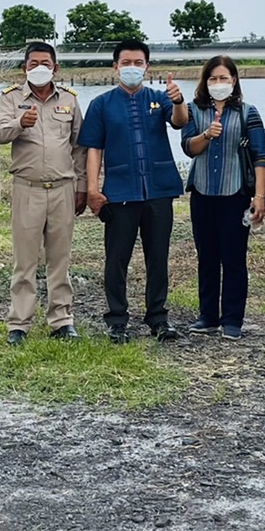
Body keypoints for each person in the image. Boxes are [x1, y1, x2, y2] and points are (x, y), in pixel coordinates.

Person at [79, 38, 191, 343]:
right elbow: (93, 149)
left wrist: (179, 101)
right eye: (126, 63)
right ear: (115, 67)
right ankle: (117, 320)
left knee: (159, 257)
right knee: (116, 258)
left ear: (147, 66)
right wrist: (92, 189)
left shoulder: (159, 98)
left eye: (138, 63)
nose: (132, 68)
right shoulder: (101, 104)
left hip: (158, 191)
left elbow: (180, 122)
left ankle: (158, 317)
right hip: (120, 193)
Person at [0, 41, 86, 345]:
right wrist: (20, 123)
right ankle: (19, 323)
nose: (39, 68)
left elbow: (80, 146)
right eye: (33, 64)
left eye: (45, 63)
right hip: (27, 189)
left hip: (62, 188)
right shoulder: (10, 98)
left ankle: (62, 319)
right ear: (24, 68)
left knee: (60, 258)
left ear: (56, 68)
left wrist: (82, 185)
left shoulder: (69, 100)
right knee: (25, 259)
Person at [179, 55, 265, 341]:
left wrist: (259, 196)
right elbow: (187, 147)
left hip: (235, 193)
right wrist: (207, 135)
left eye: (224, 78)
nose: (219, 84)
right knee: (207, 256)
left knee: (233, 257)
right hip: (203, 192)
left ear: (234, 81)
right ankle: (207, 315)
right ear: (205, 82)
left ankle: (232, 319)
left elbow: (262, 156)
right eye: (213, 78)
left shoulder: (247, 112)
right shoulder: (193, 110)